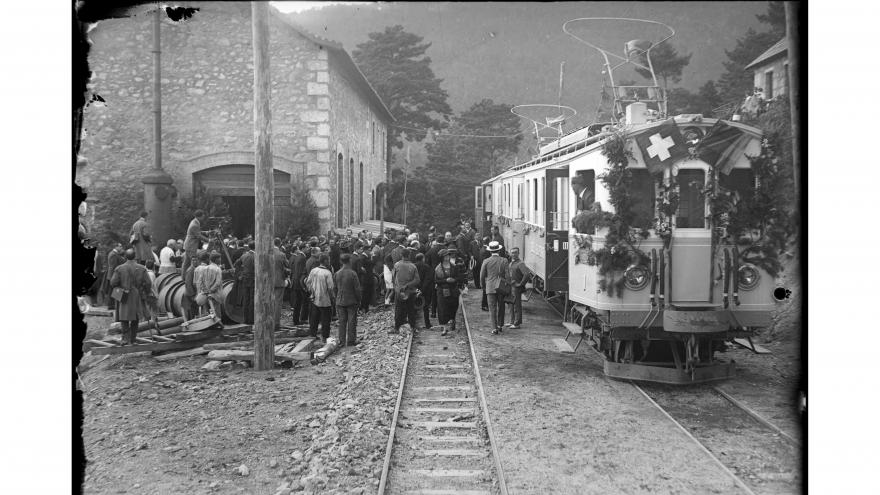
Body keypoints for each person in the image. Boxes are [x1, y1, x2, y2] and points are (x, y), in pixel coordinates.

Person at [110, 249, 157, 345]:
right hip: (138, 296)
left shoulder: (119, 268)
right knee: (135, 318)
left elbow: (113, 283)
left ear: (126, 257)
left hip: (124, 295)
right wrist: (146, 292)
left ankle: (125, 339)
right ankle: (133, 339)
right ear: (135, 256)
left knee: (124, 318)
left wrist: (120, 289)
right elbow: (148, 283)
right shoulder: (142, 268)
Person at [435, 248, 466, 336]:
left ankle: (452, 320)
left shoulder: (454, 266)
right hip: (442, 291)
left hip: (453, 290)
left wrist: (454, 280)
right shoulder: (438, 269)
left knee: (453, 307)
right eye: (445, 256)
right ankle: (444, 328)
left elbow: (459, 277)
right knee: (442, 309)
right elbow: (436, 281)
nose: (447, 257)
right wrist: (446, 280)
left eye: (447, 255)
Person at [480, 241, 509, 334]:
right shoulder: (504, 260)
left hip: (490, 287)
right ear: (499, 250)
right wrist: (507, 286)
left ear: (490, 251)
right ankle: (500, 325)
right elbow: (508, 276)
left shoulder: (486, 261)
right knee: (501, 307)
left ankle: (494, 328)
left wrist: (484, 286)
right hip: (501, 287)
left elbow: (482, 276)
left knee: (492, 308)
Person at [333, 253, 361, 347]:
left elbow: (335, 288)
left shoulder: (337, 273)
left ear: (341, 262)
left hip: (340, 301)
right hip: (351, 300)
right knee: (352, 321)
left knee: (342, 321)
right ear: (349, 261)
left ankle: (341, 341)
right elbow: (357, 289)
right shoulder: (353, 273)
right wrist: (359, 300)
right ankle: (351, 341)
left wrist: (337, 298)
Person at [391, 248, 420, 333]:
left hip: (399, 292)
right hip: (410, 292)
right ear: (409, 255)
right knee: (411, 310)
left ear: (401, 255)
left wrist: (397, 288)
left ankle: (396, 328)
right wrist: (408, 285)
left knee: (398, 310)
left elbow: (393, 278)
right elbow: (417, 280)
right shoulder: (413, 266)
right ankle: (413, 327)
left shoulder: (396, 265)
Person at [306, 254, 334, 343]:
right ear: (325, 261)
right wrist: (332, 297)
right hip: (325, 300)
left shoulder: (313, 270)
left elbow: (308, 283)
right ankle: (324, 337)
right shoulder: (327, 273)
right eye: (328, 260)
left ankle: (312, 335)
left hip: (314, 299)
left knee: (314, 318)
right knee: (325, 319)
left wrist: (312, 292)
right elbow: (330, 288)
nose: (329, 262)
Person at [506, 247, 531, 329]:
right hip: (511, 286)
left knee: (517, 305)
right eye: (512, 252)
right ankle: (511, 321)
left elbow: (527, 274)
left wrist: (521, 284)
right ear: (510, 253)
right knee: (511, 304)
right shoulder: (511, 263)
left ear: (518, 253)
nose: (514, 254)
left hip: (516, 288)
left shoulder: (520, 263)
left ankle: (517, 323)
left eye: (515, 252)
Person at [232, 241, 256, 324]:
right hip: (253, 280)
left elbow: (236, 264)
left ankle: (246, 319)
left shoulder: (244, 255)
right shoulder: (256, 256)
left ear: (249, 247)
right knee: (252, 300)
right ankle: (251, 320)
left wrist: (240, 274)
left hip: (245, 280)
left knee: (246, 299)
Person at [194, 251, 223, 317]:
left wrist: (205, 290)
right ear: (216, 260)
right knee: (216, 312)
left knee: (207, 312)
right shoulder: (218, 269)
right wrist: (211, 290)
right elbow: (218, 283)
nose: (220, 260)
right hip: (215, 294)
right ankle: (218, 325)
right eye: (220, 258)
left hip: (205, 294)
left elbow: (200, 281)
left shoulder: (205, 268)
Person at [183, 210, 210, 274]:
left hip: (189, 245)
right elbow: (198, 236)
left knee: (186, 263)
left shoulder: (195, 222)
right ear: (199, 216)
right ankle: (192, 277)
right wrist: (209, 240)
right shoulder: (195, 224)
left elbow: (197, 231)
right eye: (203, 216)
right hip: (191, 246)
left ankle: (184, 276)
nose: (204, 217)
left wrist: (206, 232)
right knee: (193, 262)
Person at [272, 238, 290, 330]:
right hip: (279, 281)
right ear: (279, 244)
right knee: (278, 303)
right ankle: (276, 324)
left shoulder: (267, 253)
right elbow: (287, 265)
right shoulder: (281, 254)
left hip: (267, 282)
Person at [289, 243, 308, 326]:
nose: (308, 249)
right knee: (300, 301)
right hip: (299, 282)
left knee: (298, 301)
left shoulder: (297, 256)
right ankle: (299, 319)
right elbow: (301, 272)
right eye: (307, 247)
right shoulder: (302, 257)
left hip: (296, 281)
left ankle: (296, 319)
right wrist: (303, 284)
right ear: (303, 248)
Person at [414, 252, 434, 330]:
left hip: (414, 290)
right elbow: (428, 279)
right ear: (423, 259)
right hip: (425, 291)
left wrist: (416, 289)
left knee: (414, 307)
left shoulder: (413, 266)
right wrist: (422, 290)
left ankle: (413, 324)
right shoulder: (427, 267)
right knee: (426, 307)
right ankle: (427, 324)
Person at [103, 243, 124, 309]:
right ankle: (112, 305)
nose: (121, 248)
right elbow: (114, 266)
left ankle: (114, 305)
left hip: (114, 275)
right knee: (113, 290)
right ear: (116, 247)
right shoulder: (113, 254)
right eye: (120, 246)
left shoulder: (115, 254)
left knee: (114, 290)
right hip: (113, 275)